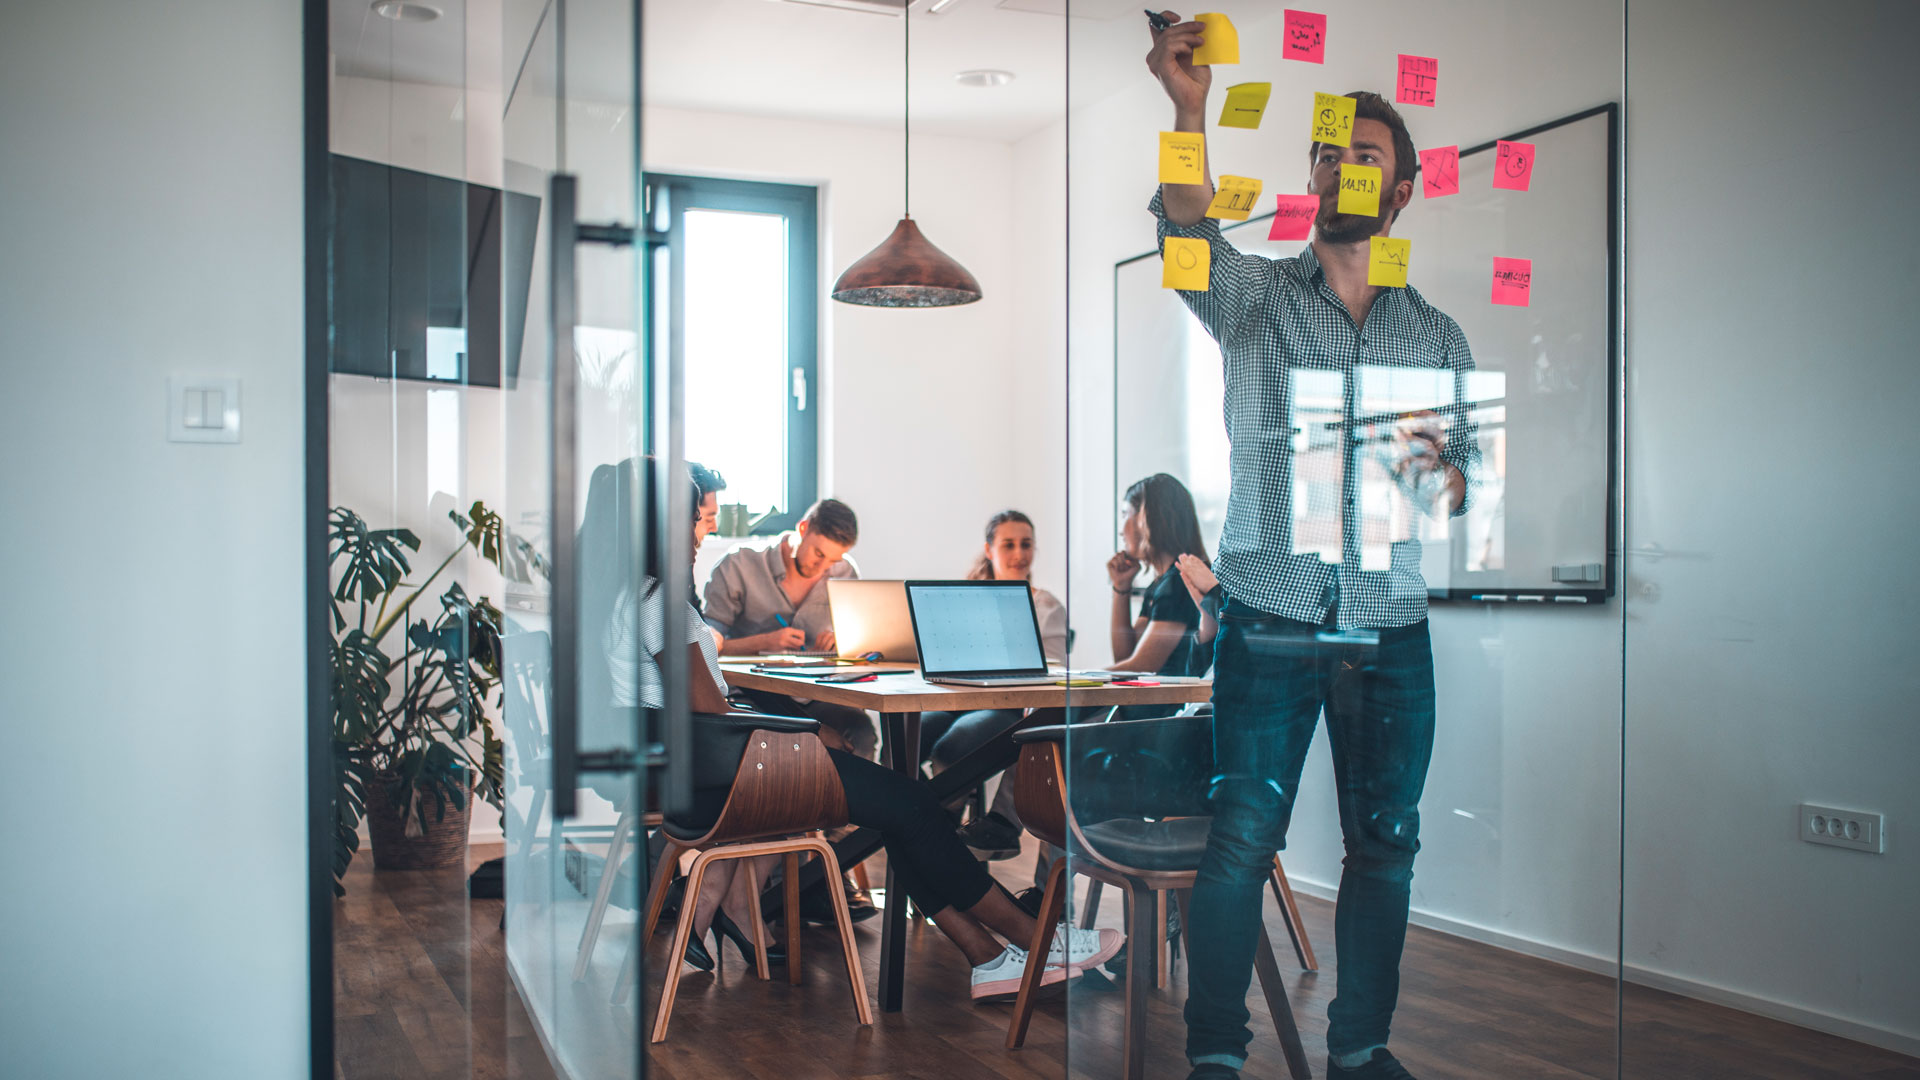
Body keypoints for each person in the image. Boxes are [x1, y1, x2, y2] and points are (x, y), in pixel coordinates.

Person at [1146, 15, 1481, 1080]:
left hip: (1392, 627)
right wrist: (1189, 110)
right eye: (1328, 150)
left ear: (1403, 190)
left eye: (1366, 155)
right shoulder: (1251, 299)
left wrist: (1422, 460)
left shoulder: (1437, 335)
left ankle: (1362, 1050)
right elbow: (1185, 233)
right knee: (1243, 838)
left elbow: (1456, 492)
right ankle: (1216, 1056)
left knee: (1387, 845)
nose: (1343, 164)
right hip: (1272, 620)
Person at [604, 461, 1124, 999]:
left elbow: (697, 713)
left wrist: (800, 730)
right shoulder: (661, 605)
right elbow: (712, 720)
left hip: (694, 777)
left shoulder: (627, 598)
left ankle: (991, 956)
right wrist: (806, 732)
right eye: (692, 519)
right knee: (914, 807)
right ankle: (1037, 939)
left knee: (903, 812)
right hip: (727, 779)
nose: (701, 531)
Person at [915, 511, 1068, 861]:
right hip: (961, 695)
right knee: (911, 736)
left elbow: (1054, 672)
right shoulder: (965, 601)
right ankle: (924, 822)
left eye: (1026, 544)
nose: (1019, 554)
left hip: (1010, 706)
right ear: (989, 549)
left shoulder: (1046, 606)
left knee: (952, 750)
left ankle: (939, 838)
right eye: (1008, 544)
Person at [701, 498, 878, 760]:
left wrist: (840, 642)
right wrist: (763, 643)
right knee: (765, 741)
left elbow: (861, 639)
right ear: (803, 528)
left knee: (860, 733)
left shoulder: (845, 572)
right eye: (819, 554)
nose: (823, 568)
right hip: (754, 695)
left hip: (817, 693)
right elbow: (705, 644)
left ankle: (846, 801)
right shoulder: (739, 565)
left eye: (833, 560)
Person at [1105, 473, 1212, 683]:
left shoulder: (1178, 581)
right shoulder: (1161, 583)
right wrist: (1121, 587)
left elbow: (1141, 667)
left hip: (1164, 709)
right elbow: (1125, 656)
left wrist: (1074, 680)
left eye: (1126, 514)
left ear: (1147, 520)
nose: (1121, 531)